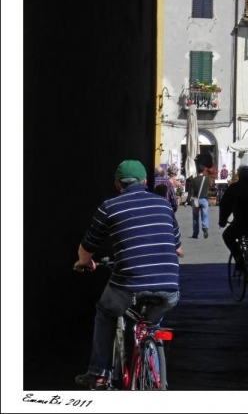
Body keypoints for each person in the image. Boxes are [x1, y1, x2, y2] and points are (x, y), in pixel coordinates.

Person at [73, 159, 182, 390]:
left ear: (117, 184)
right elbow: (179, 249)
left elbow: (87, 248)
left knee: (105, 311)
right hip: (170, 287)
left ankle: (99, 373)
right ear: (145, 182)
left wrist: (84, 263)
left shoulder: (109, 207)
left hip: (129, 284)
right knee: (152, 324)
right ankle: (158, 378)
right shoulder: (164, 205)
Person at [188, 164, 210, 239]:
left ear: (197, 171)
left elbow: (191, 192)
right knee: (205, 216)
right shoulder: (207, 179)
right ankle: (205, 227)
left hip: (196, 200)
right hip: (204, 200)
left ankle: (195, 233)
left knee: (195, 217)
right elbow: (208, 188)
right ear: (204, 171)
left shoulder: (193, 180)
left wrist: (187, 201)